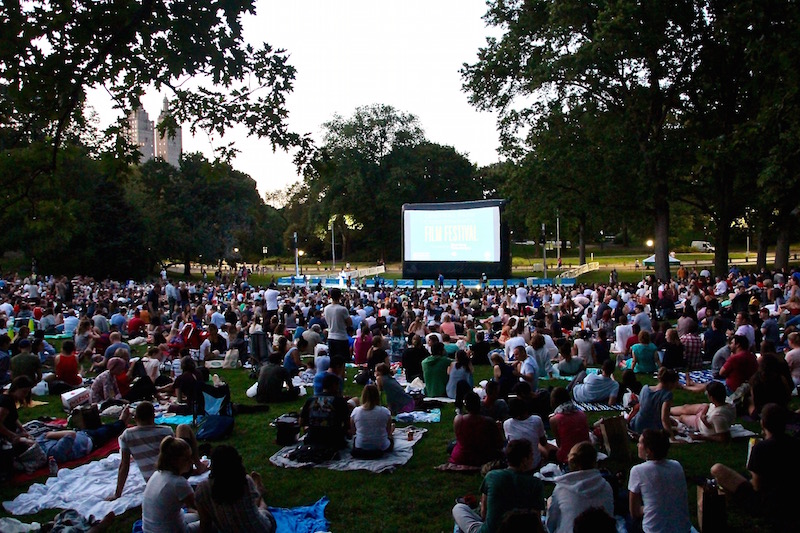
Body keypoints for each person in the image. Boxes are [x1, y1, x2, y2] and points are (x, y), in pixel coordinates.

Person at [710, 403, 800, 530]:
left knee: (717, 469)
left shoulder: (761, 448)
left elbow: (757, 486)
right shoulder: (795, 444)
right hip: (793, 500)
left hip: (767, 503)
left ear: (763, 423)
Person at [451, 439, 545, 533]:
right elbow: (536, 519)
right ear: (525, 460)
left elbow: (484, 512)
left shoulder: (492, 476)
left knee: (459, 508)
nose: (533, 459)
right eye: (532, 456)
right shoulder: (535, 483)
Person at [194, 445, 276, 533]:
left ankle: (259, 490)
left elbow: (205, 523)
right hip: (261, 529)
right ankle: (259, 490)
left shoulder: (202, 488)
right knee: (262, 509)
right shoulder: (245, 481)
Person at [628, 429, 691, 533]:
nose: (637, 445)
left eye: (639, 443)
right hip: (683, 529)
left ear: (648, 450)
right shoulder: (676, 466)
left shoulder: (637, 471)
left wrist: (648, 509)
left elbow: (634, 513)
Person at [111, 401, 175, 500]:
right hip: (172, 478)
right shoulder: (166, 431)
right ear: (154, 416)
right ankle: (198, 466)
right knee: (183, 429)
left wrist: (117, 493)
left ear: (135, 418)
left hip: (152, 481)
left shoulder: (127, 435)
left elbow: (124, 465)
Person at [546, 442, 614, 533]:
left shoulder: (561, 489)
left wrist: (549, 506)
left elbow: (550, 525)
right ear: (595, 461)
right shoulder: (606, 486)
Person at [141, 436, 197, 533]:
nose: (191, 462)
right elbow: (201, 507)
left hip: (148, 530)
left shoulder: (157, 474)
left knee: (196, 516)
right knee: (213, 522)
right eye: (187, 459)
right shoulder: (179, 483)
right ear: (174, 461)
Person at [449, 391, 504, 466]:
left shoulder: (458, 419)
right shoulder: (489, 421)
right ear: (479, 405)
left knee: (452, 444)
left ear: (466, 406)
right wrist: (499, 430)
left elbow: (459, 438)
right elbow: (499, 444)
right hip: (483, 458)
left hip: (462, 458)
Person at [670, 381, 735, 441]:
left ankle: (663, 416)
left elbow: (724, 438)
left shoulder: (718, 416)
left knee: (682, 418)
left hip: (699, 423)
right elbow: (708, 405)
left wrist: (701, 437)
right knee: (685, 408)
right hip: (705, 411)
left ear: (711, 398)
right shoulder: (727, 401)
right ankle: (666, 409)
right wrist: (702, 415)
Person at [299, 373, 349, 451]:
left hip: (312, 439)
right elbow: (347, 424)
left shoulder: (311, 399)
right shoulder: (339, 401)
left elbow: (301, 422)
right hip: (333, 442)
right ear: (334, 385)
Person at [628, 368, 678, 437]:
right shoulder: (667, 395)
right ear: (670, 383)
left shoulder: (645, 388)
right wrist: (672, 437)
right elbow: (664, 418)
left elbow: (647, 409)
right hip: (651, 429)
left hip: (636, 424)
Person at [502, 398, 547, 470]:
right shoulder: (536, 420)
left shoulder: (506, 424)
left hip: (516, 466)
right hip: (534, 465)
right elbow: (543, 442)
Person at [350, 384, 394, 458]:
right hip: (382, 447)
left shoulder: (356, 411)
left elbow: (353, 431)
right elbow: (388, 432)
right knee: (391, 437)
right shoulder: (385, 411)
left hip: (361, 446)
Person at [549, 387, 590, 464]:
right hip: (585, 453)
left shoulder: (554, 420)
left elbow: (559, 443)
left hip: (567, 457)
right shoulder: (582, 414)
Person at [0, 376, 35, 457]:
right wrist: (13, 435)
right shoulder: (5, 402)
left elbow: (13, 418)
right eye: (24, 392)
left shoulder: (10, 399)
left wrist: (22, 429)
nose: (25, 395)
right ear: (16, 388)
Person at [323, 288, 352, 359]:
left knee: (333, 361)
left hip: (331, 337)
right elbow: (349, 323)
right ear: (340, 297)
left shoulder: (326, 308)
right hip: (341, 338)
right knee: (343, 361)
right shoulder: (342, 309)